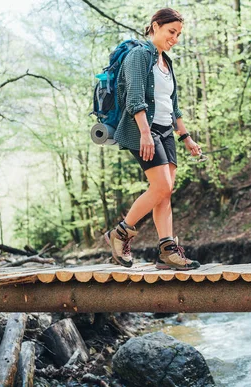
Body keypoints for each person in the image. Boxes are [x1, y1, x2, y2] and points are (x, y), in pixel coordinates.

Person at [104, 8, 202, 271]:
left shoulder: (166, 62)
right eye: (172, 32)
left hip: (166, 131)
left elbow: (173, 106)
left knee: (165, 192)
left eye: (179, 34)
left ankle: (168, 252)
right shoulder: (138, 56)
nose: (175, 38)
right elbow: (135, 98)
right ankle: (120, 233)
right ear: (156, 26)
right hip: (144, 130)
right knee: (160, 187)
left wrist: (186, 137)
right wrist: (145, 133)